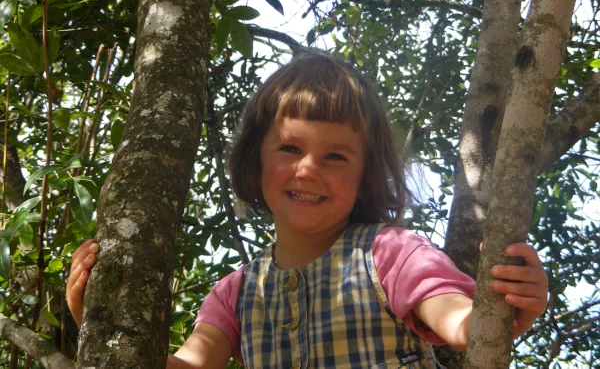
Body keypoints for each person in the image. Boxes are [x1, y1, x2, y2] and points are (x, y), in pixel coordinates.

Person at [67, 53, 548, 369]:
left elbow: (459, 319)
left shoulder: (392, 253)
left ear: (365, 174)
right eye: (290, 148)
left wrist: (504, 307)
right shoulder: (234, 293)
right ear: (256, 163)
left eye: (336, 156)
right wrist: (100, 318)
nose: (309, 169)